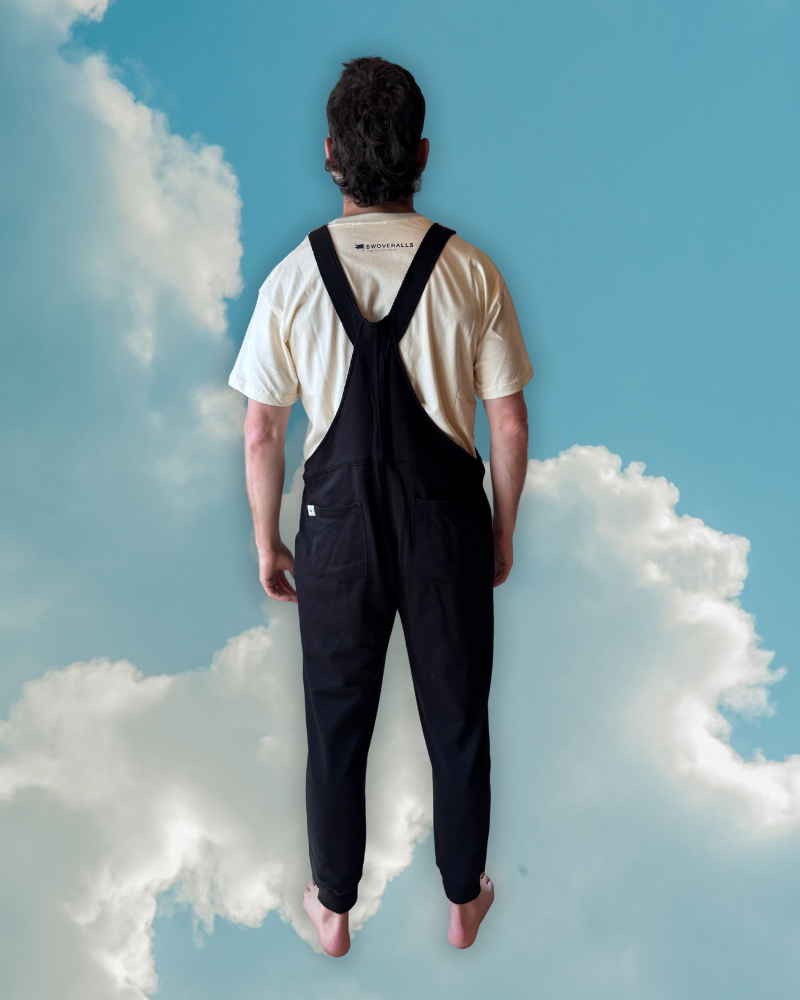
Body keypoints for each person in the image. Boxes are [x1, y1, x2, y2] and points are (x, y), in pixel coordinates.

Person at [229, 56, 532, 956]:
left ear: (330, 157)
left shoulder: (292, 276)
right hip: (447, 529)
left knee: (336, 724)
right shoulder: (471, 270)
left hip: (336, 538)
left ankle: (332, 908)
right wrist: (502, 533)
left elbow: (260, 433)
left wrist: (267, 542)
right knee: (459, 723)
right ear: (423, 154)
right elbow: (507, 423)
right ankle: (461, 899)